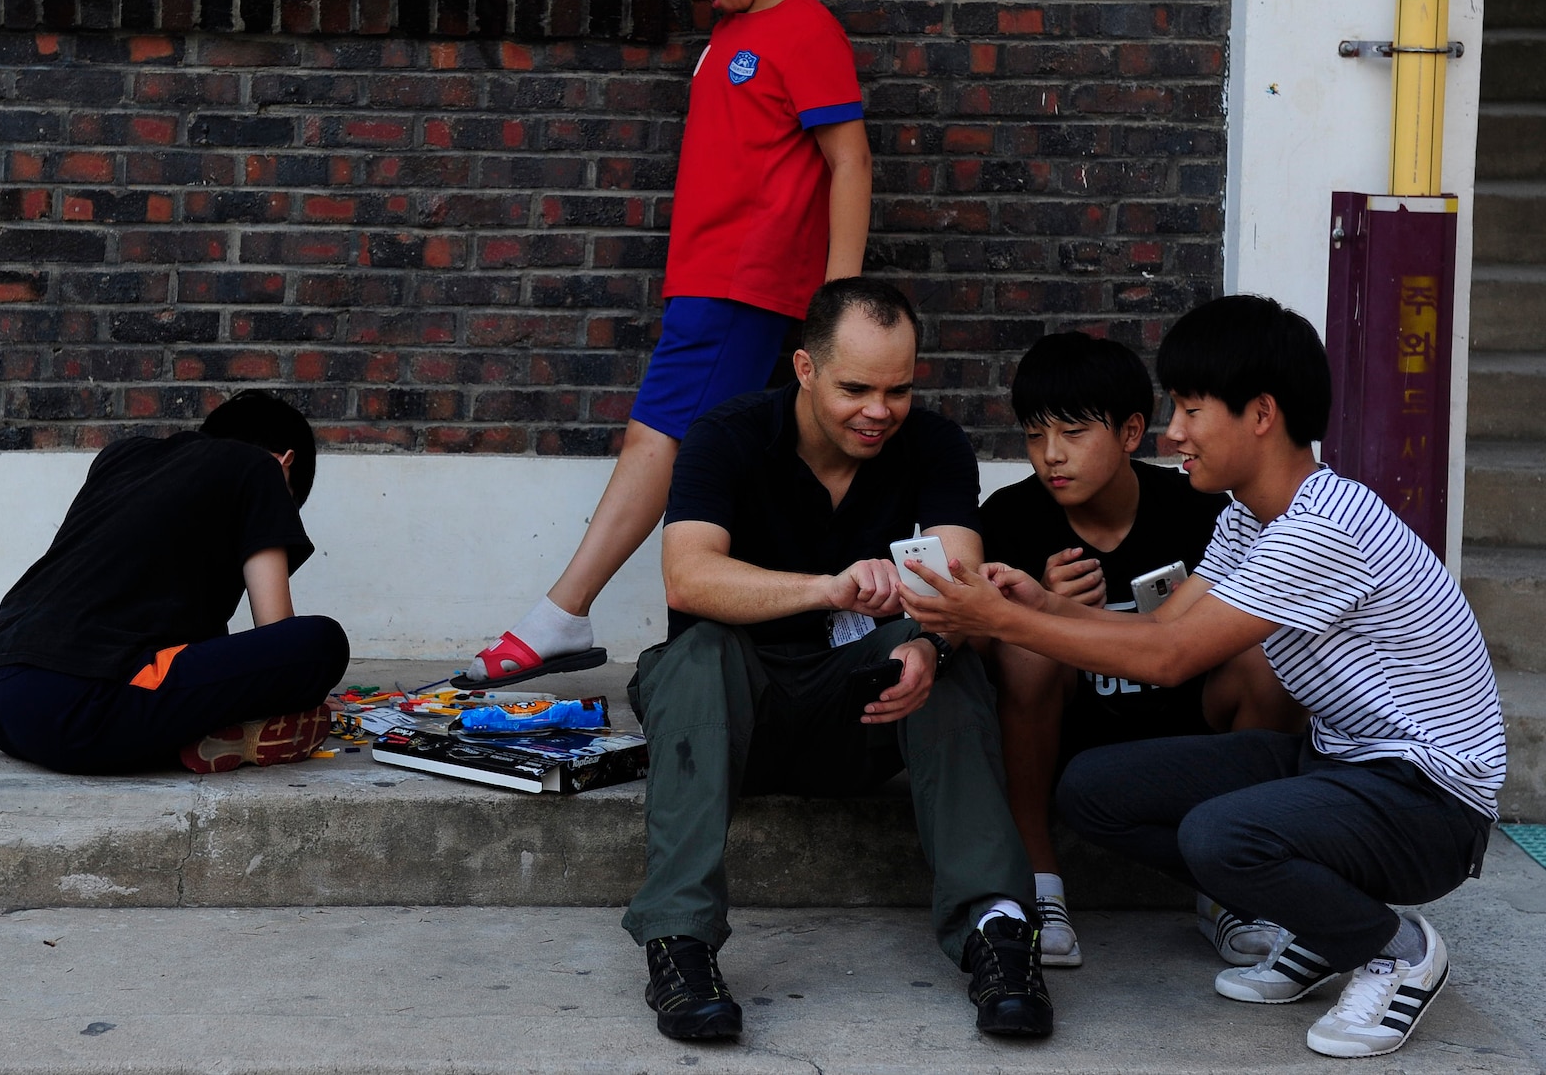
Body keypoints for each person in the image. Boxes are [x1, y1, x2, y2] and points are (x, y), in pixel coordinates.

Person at [901, 296, 1504, 1061]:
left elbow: (1169, 662)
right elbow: (1159, 629)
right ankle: (1325, 929)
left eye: (1190, 409)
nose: (1173, 432)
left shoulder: (1324, 528)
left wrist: (997, 619)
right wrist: (1044, 603)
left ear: (1260, 414)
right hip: (1339, 763)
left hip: (1428, 801)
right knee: (1095, 789)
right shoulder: (1248, 518)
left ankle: (1395, 947)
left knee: (1218, 835)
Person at [464, 0, 873, 688]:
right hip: (712, 279)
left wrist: (838, 303)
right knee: (753, 452)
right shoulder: (731, 34)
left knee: (658, 435)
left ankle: (562, 614)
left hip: (742, 285)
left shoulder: (805, 29)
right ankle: (797, 630)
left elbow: (850, 162)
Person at [622, 277, 1053, 1044]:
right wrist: (827, 588)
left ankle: (999, 930)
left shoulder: (935, 446)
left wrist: (932, 641)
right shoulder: (726, 435)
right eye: (857, 387)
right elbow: (688, 574)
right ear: (805, 369)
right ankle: (679, 944)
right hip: (732, 712)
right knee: (695, 654)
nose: (879, 411)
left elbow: (961, 583)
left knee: (943, 665)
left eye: (899, 389)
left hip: (865, 713)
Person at [982, 332, 1304, 968]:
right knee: (1023, 645)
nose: (1051, 456)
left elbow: (1200, 639)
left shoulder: (1200, 510)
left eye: (1073, 433)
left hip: (1189, 726)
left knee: (1269, 653)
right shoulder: (1009, 518)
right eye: (1034, 435)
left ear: (1131, 432)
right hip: (1067, 731)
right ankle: (1040, 885)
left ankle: (1227, 888)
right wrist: (1039, 608)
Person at [0, 390, 349, 776]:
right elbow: (277, 633)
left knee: (192, 663)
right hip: (78, 706)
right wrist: (302, 689)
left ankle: (193, 739)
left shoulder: (120, 456)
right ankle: (212, 739)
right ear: (285, 462)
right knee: (321, 643)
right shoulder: (262, 467)